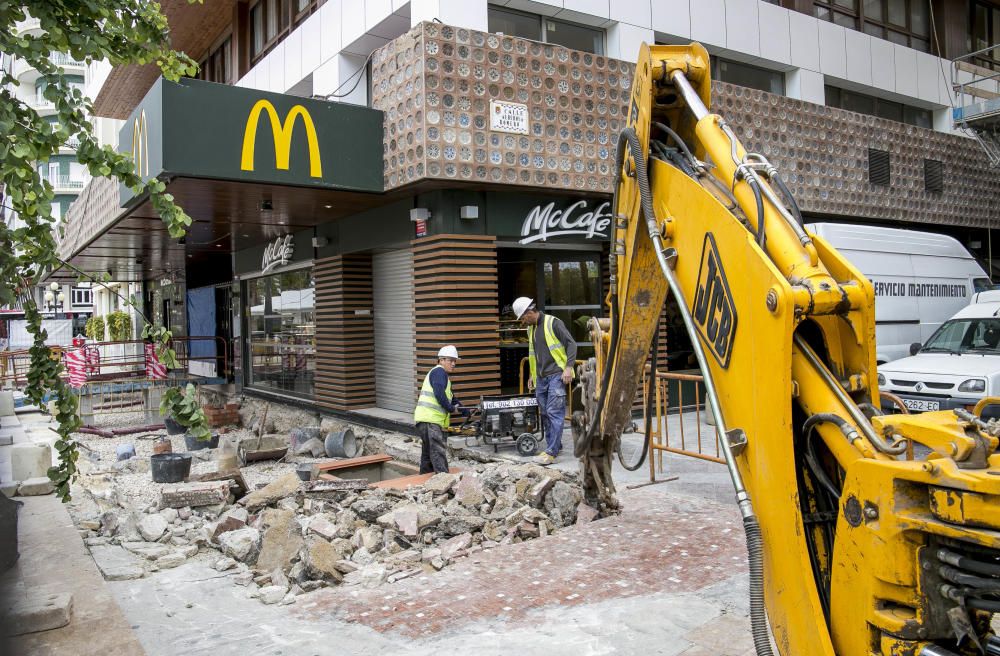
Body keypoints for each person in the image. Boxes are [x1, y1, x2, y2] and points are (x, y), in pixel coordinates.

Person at [513, 297, 577, 465]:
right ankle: (555, 444)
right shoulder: (531, 329)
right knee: (544, 414)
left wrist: (568, 368)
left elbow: (571, 344)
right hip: (541, 378)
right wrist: (532, 375)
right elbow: (534, 355)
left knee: (554, 413)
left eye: (523, 318)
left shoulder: (553, 323)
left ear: (529, 312)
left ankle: (551, 452)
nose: (523, 322)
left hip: (557, 374)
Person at [413, 345, 470, 474]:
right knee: (437, 450)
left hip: (425, 419)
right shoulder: (439, 373)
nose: (453, 364)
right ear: (441, 360)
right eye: (450, 360)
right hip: (431, 419)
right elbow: (439, 394)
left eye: (455, 361)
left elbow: (452, 398)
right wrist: (450, 408)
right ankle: (444, 480)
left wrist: (464, 410)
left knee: (428, 453)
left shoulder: (441, 376)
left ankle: (425, 479)